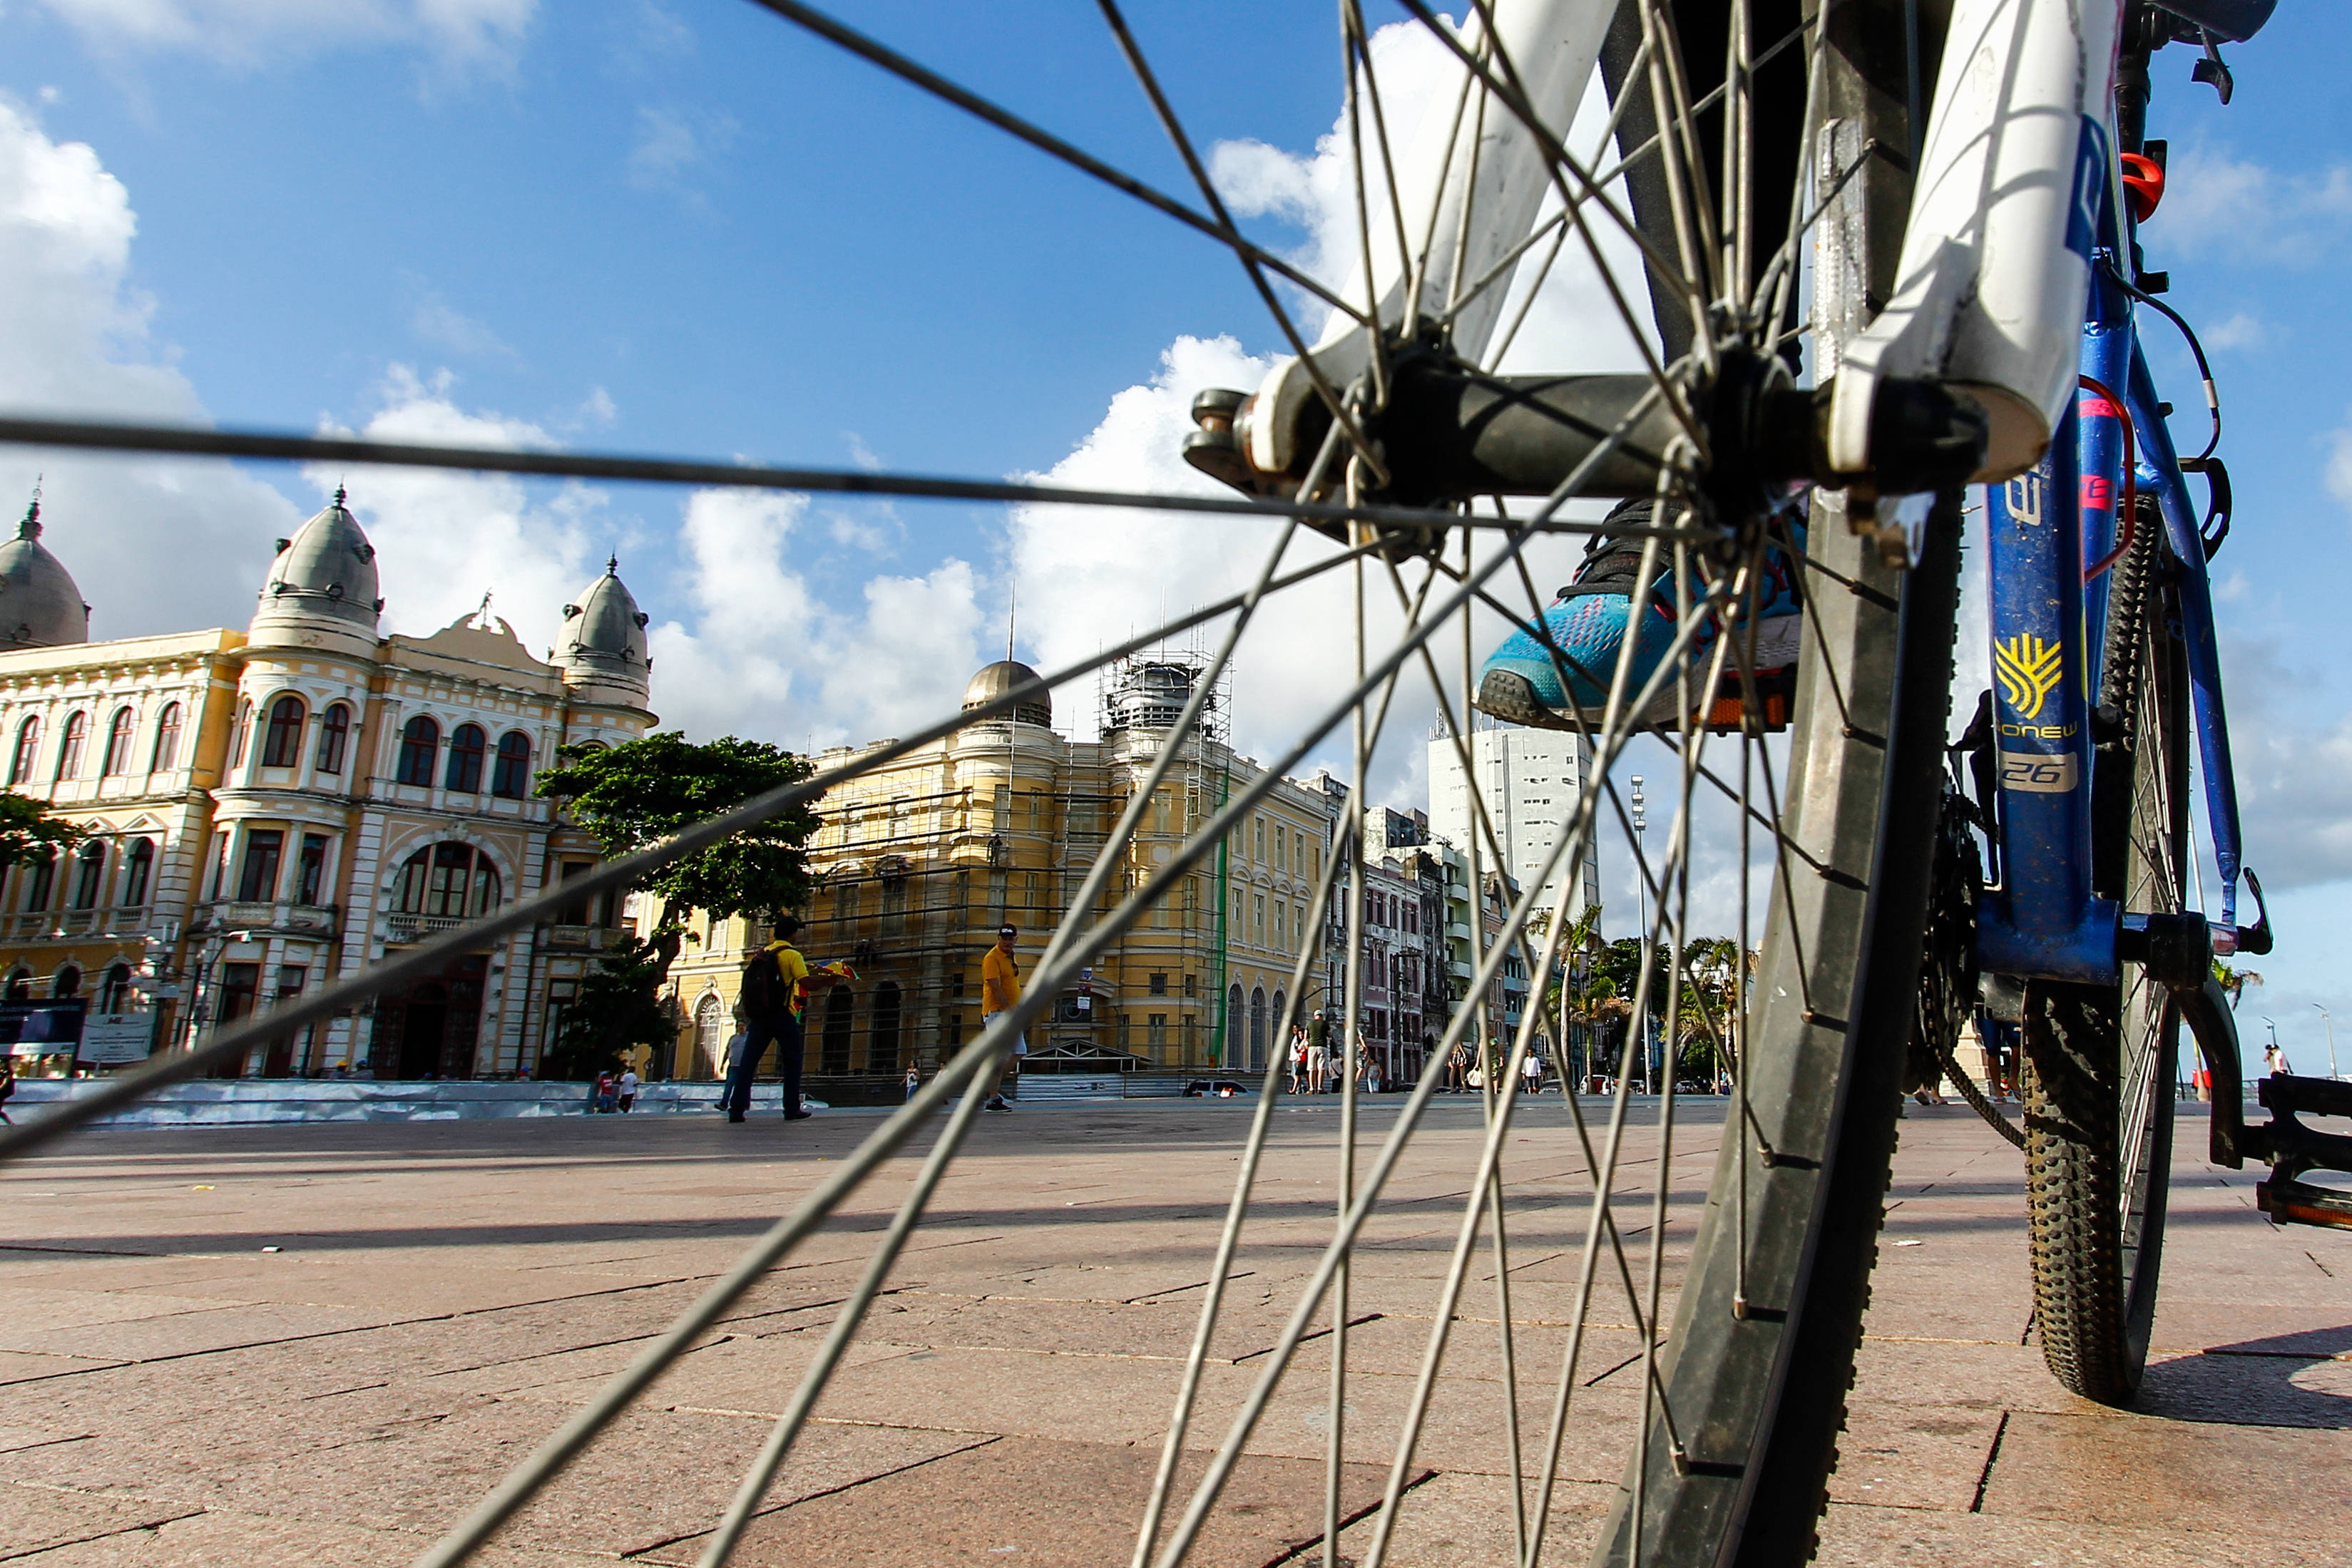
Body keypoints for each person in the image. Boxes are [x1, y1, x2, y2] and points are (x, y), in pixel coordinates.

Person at [723, 914, 816, 1124]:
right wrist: (828, 980)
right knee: (792, 1060)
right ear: (793, 935)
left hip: (760, 1015)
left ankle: (736, 1109)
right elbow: (806, 983)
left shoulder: (763, 953)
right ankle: (791, 1107)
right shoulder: (792, 955)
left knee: (748, 1062)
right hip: (782, 1015)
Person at [981, 925, 1023, 1111]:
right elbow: (995, 988)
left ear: (1016, 939)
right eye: (1004, 938)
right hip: (998, 1012)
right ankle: (992, 1097)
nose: (1007, 942)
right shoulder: (992, 958)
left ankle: (989, 1087)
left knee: (1019, 1051)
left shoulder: (1009, 957)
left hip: (1010, 1013)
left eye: (1011, 939)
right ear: (998, 938)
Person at [1307, 1010, 1334, 1093]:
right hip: (1323, 1046)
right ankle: (1320, 1088)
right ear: (1322, 1016)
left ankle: (1311, 1088)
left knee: (1312, 1068)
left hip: (1312, 1047)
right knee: (1321, 1068)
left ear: (1315, 1016)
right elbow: (1329, 1035)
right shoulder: (1325, 1023)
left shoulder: (1309, 1024)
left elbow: (1305, 1036)